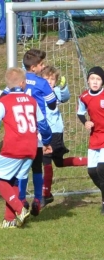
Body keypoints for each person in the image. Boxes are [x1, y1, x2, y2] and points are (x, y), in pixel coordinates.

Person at [0, 68, 52, 228]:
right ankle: (9, 220)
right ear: (23, 84)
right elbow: (43, 125)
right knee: (14, 180)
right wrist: (47, 141)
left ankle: (19, 209)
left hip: (13, 147)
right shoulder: (32, 101)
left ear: (8, 85)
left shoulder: (3, 101)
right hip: (31, 147)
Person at [1, 49, 57, 216]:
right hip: (37, 130)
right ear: (33, 67)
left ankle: (22, 198)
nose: (43, 66)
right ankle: (38, 199)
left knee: (21, 167)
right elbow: (52, 104)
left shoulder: (18, 81)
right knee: (37, 166)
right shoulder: (41, 83)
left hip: (19, 130)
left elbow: (4, 98)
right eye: (41, 64)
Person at [40, 66, 87, 207]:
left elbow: (65, 97)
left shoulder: (55, 92)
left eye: (52, 79)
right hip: (42, 132)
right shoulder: (38, 92)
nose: (49, 81)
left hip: (53, 132)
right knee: (59, 163)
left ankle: (45, 195)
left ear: (56, 81)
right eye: (46, 79)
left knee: (46, 161)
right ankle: (90, 160)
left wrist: (64, 86)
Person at [77, 66, 104, 215]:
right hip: (94, 137)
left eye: (98, 79)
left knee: (102, 169)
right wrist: (85, 122)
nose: (95, 82)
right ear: (88, 80)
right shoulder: (84, 97)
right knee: (92, 171)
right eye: (92, 78)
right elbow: (80, 112)